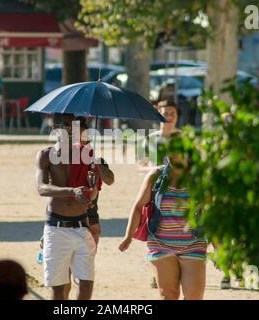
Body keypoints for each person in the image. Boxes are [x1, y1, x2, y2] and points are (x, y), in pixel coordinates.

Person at [120, 137, 208, 300]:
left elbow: (210, 213)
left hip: (194, 243)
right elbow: (138, 206)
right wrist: (128, 236)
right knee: (169, 295)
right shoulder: (156, 176)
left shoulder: (199, 178)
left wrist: (218, 246)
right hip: (160, 244)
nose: (173, 154)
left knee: (194, 296)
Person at [35, 113, 103, 300]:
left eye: (73, 126)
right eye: (65, 125)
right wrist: (73, 191)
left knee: (86, 286)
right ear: (56, 127)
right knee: (58, 289)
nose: (69, 130)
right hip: (56, 228)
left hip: (82, 226)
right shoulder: (45, 155)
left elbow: (94, 192)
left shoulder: (86, 155)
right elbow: (41, 188)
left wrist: (92, 184)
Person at [138, 100, 181, 172]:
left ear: (177, 116)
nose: (169, 117)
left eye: (172, 114)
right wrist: (158, 169)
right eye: (165, 114)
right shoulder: (149, 139)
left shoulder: (184, 137)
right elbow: (140, 168)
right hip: (156, 181)